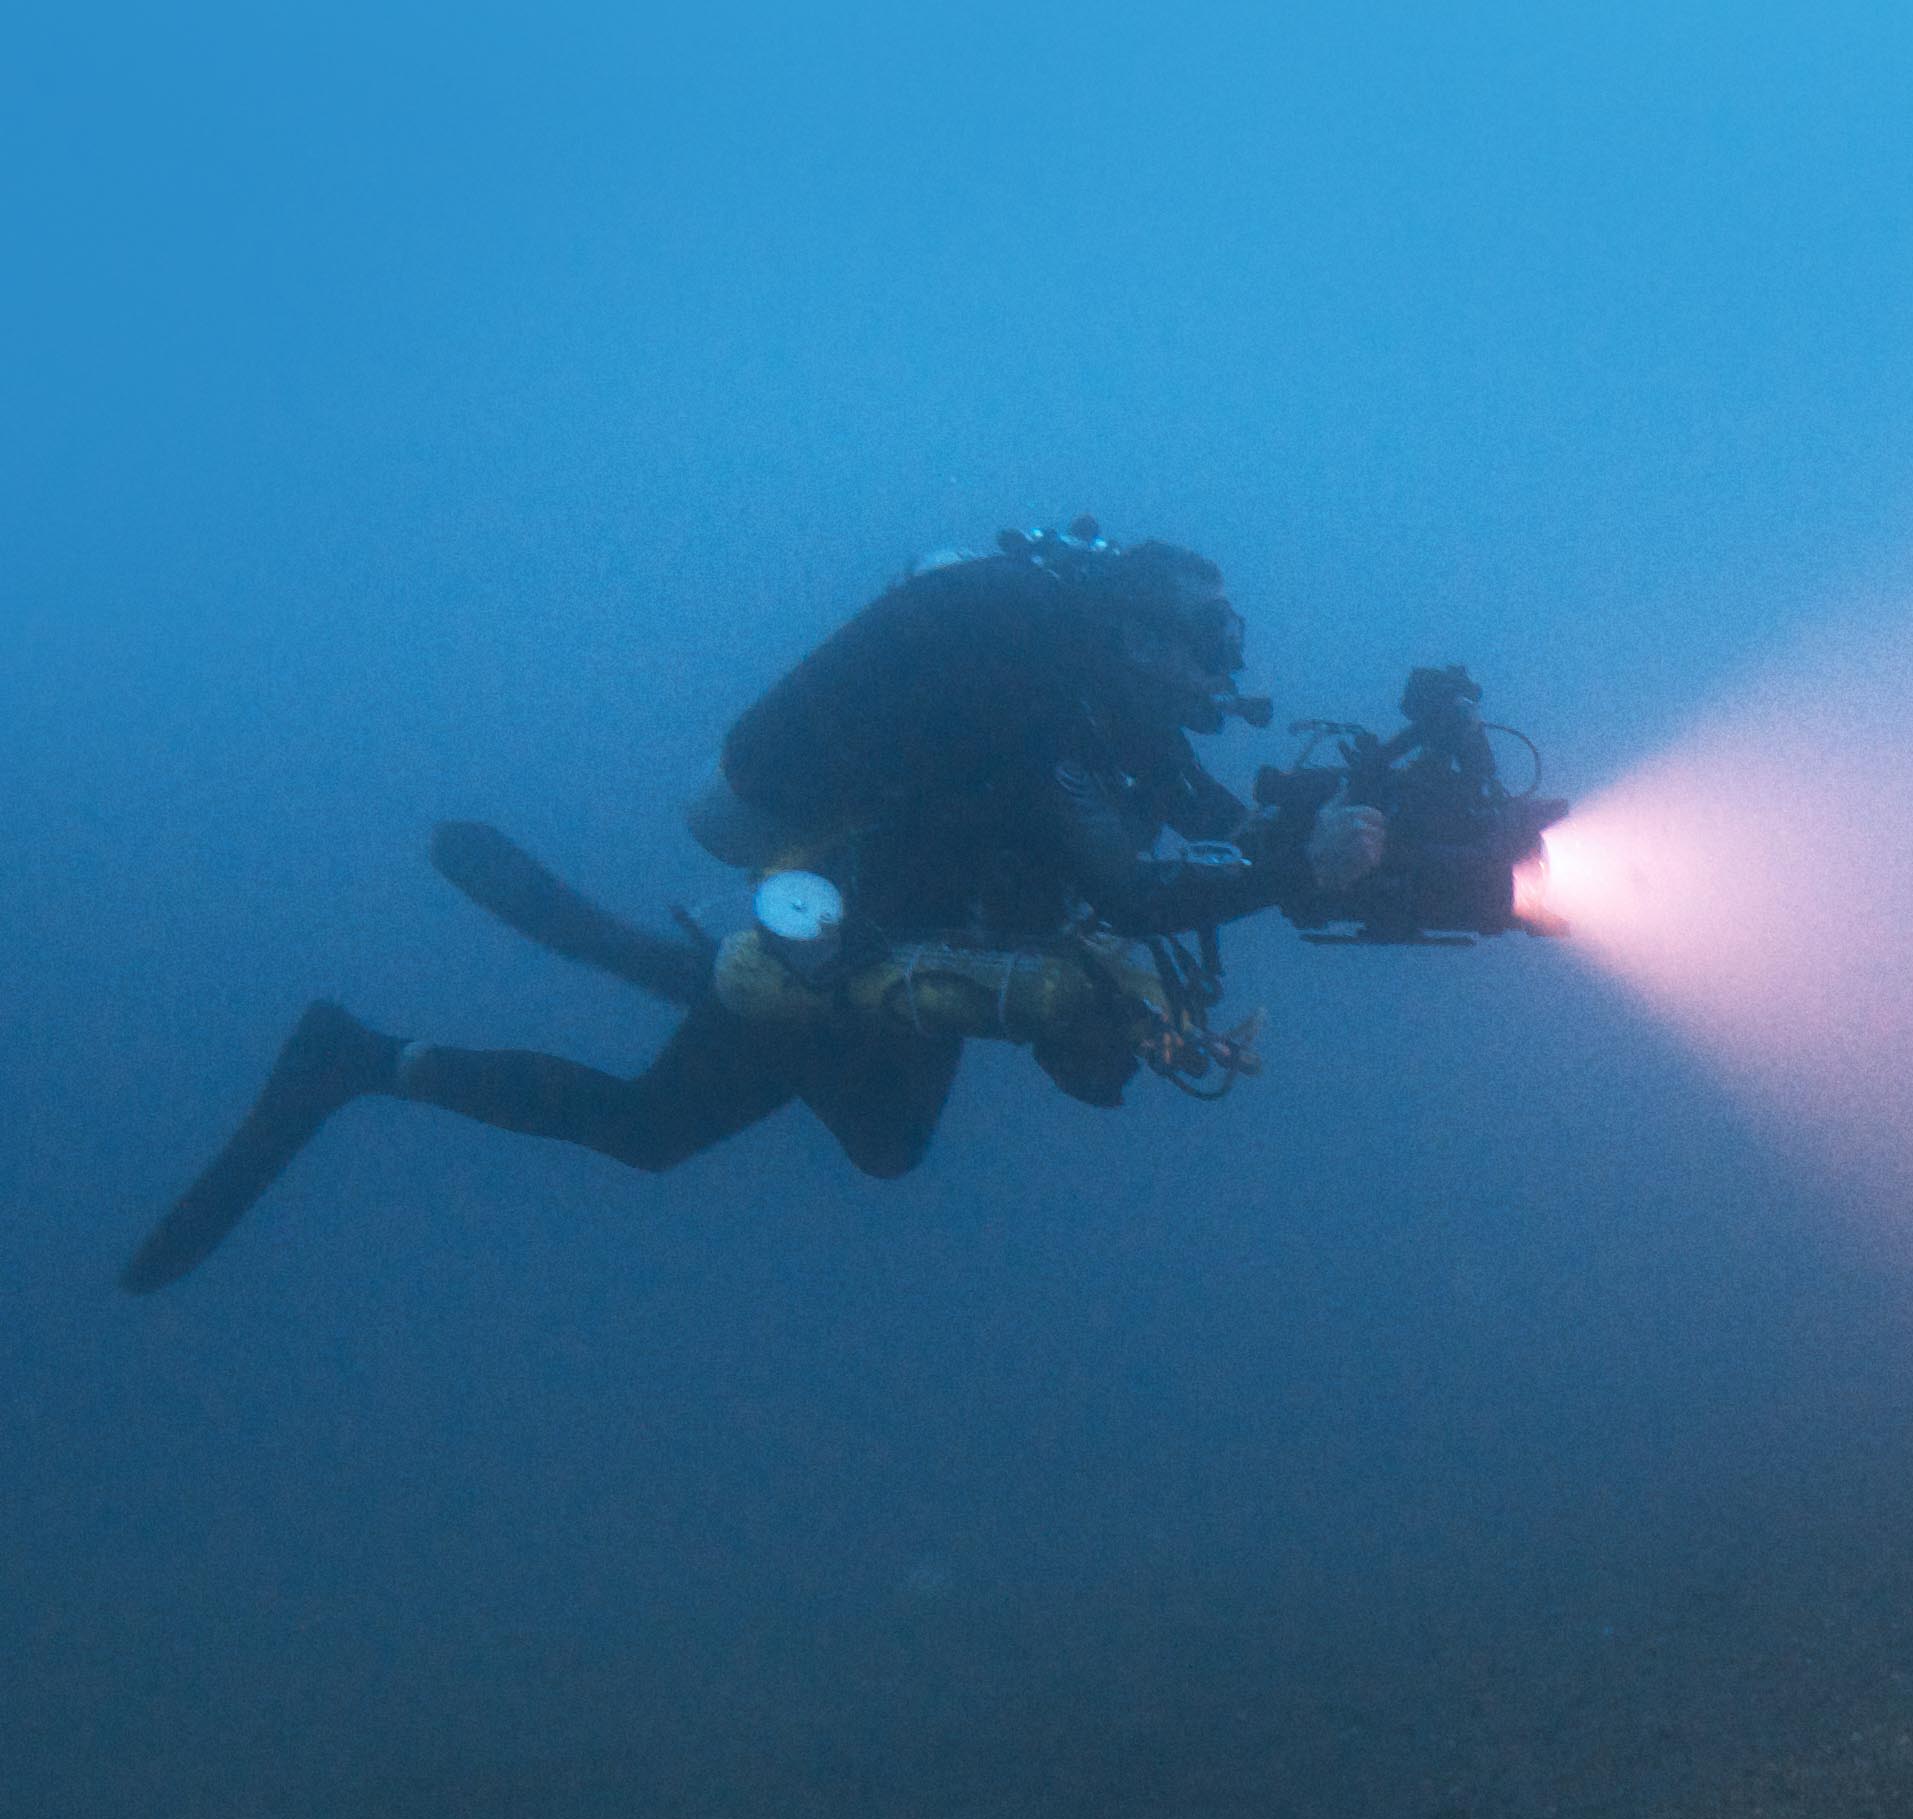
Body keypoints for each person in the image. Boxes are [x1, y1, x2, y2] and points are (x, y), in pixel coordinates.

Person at [121, 522, 1384, 1294]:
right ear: (1130, 637)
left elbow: (1207, 816)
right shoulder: (1047, 720)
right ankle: (364, 1057)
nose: (1206, 679)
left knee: (885, 1150)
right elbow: (1134, 885)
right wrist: (1293, 869)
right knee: (648, 1131)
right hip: (856, 935)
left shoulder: (1118, 728)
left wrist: (1319, 829)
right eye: (1190, 651)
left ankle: (668, 962)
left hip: (898, 949)